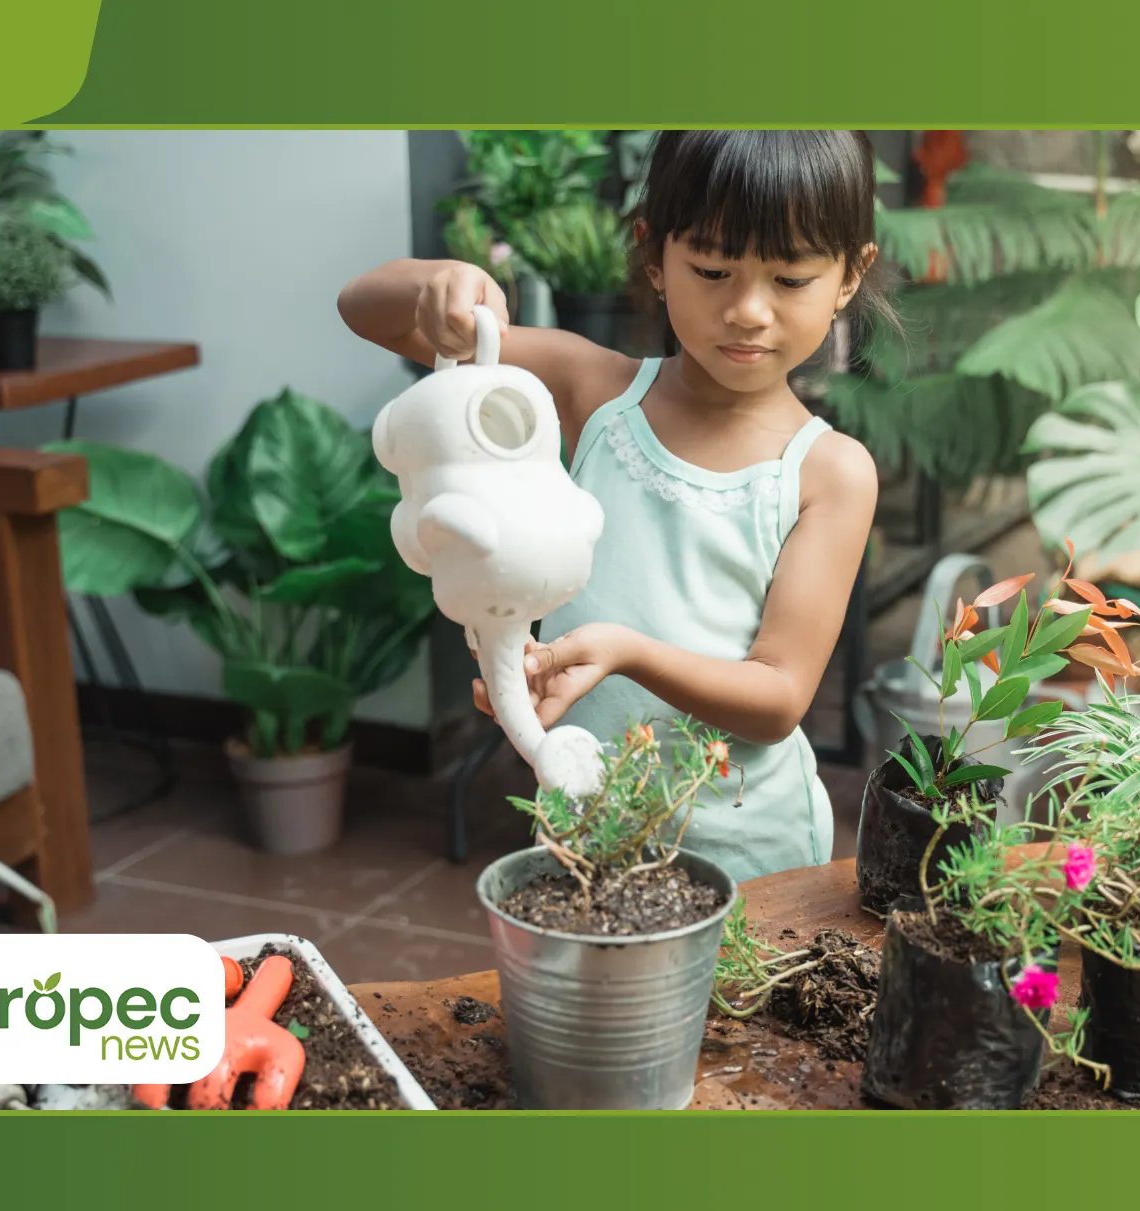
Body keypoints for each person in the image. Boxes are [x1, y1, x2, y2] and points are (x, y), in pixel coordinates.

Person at [337, 130, 889, 884]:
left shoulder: (830, 472)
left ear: (850, 274)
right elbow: (365, 311)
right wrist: (442, 281)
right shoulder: (592, 390)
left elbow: (778, 698)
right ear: (654, 255)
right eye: (712, 270)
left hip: (749, 852)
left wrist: (624, 653)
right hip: (586, 827)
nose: (748, 310)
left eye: (790, 279)